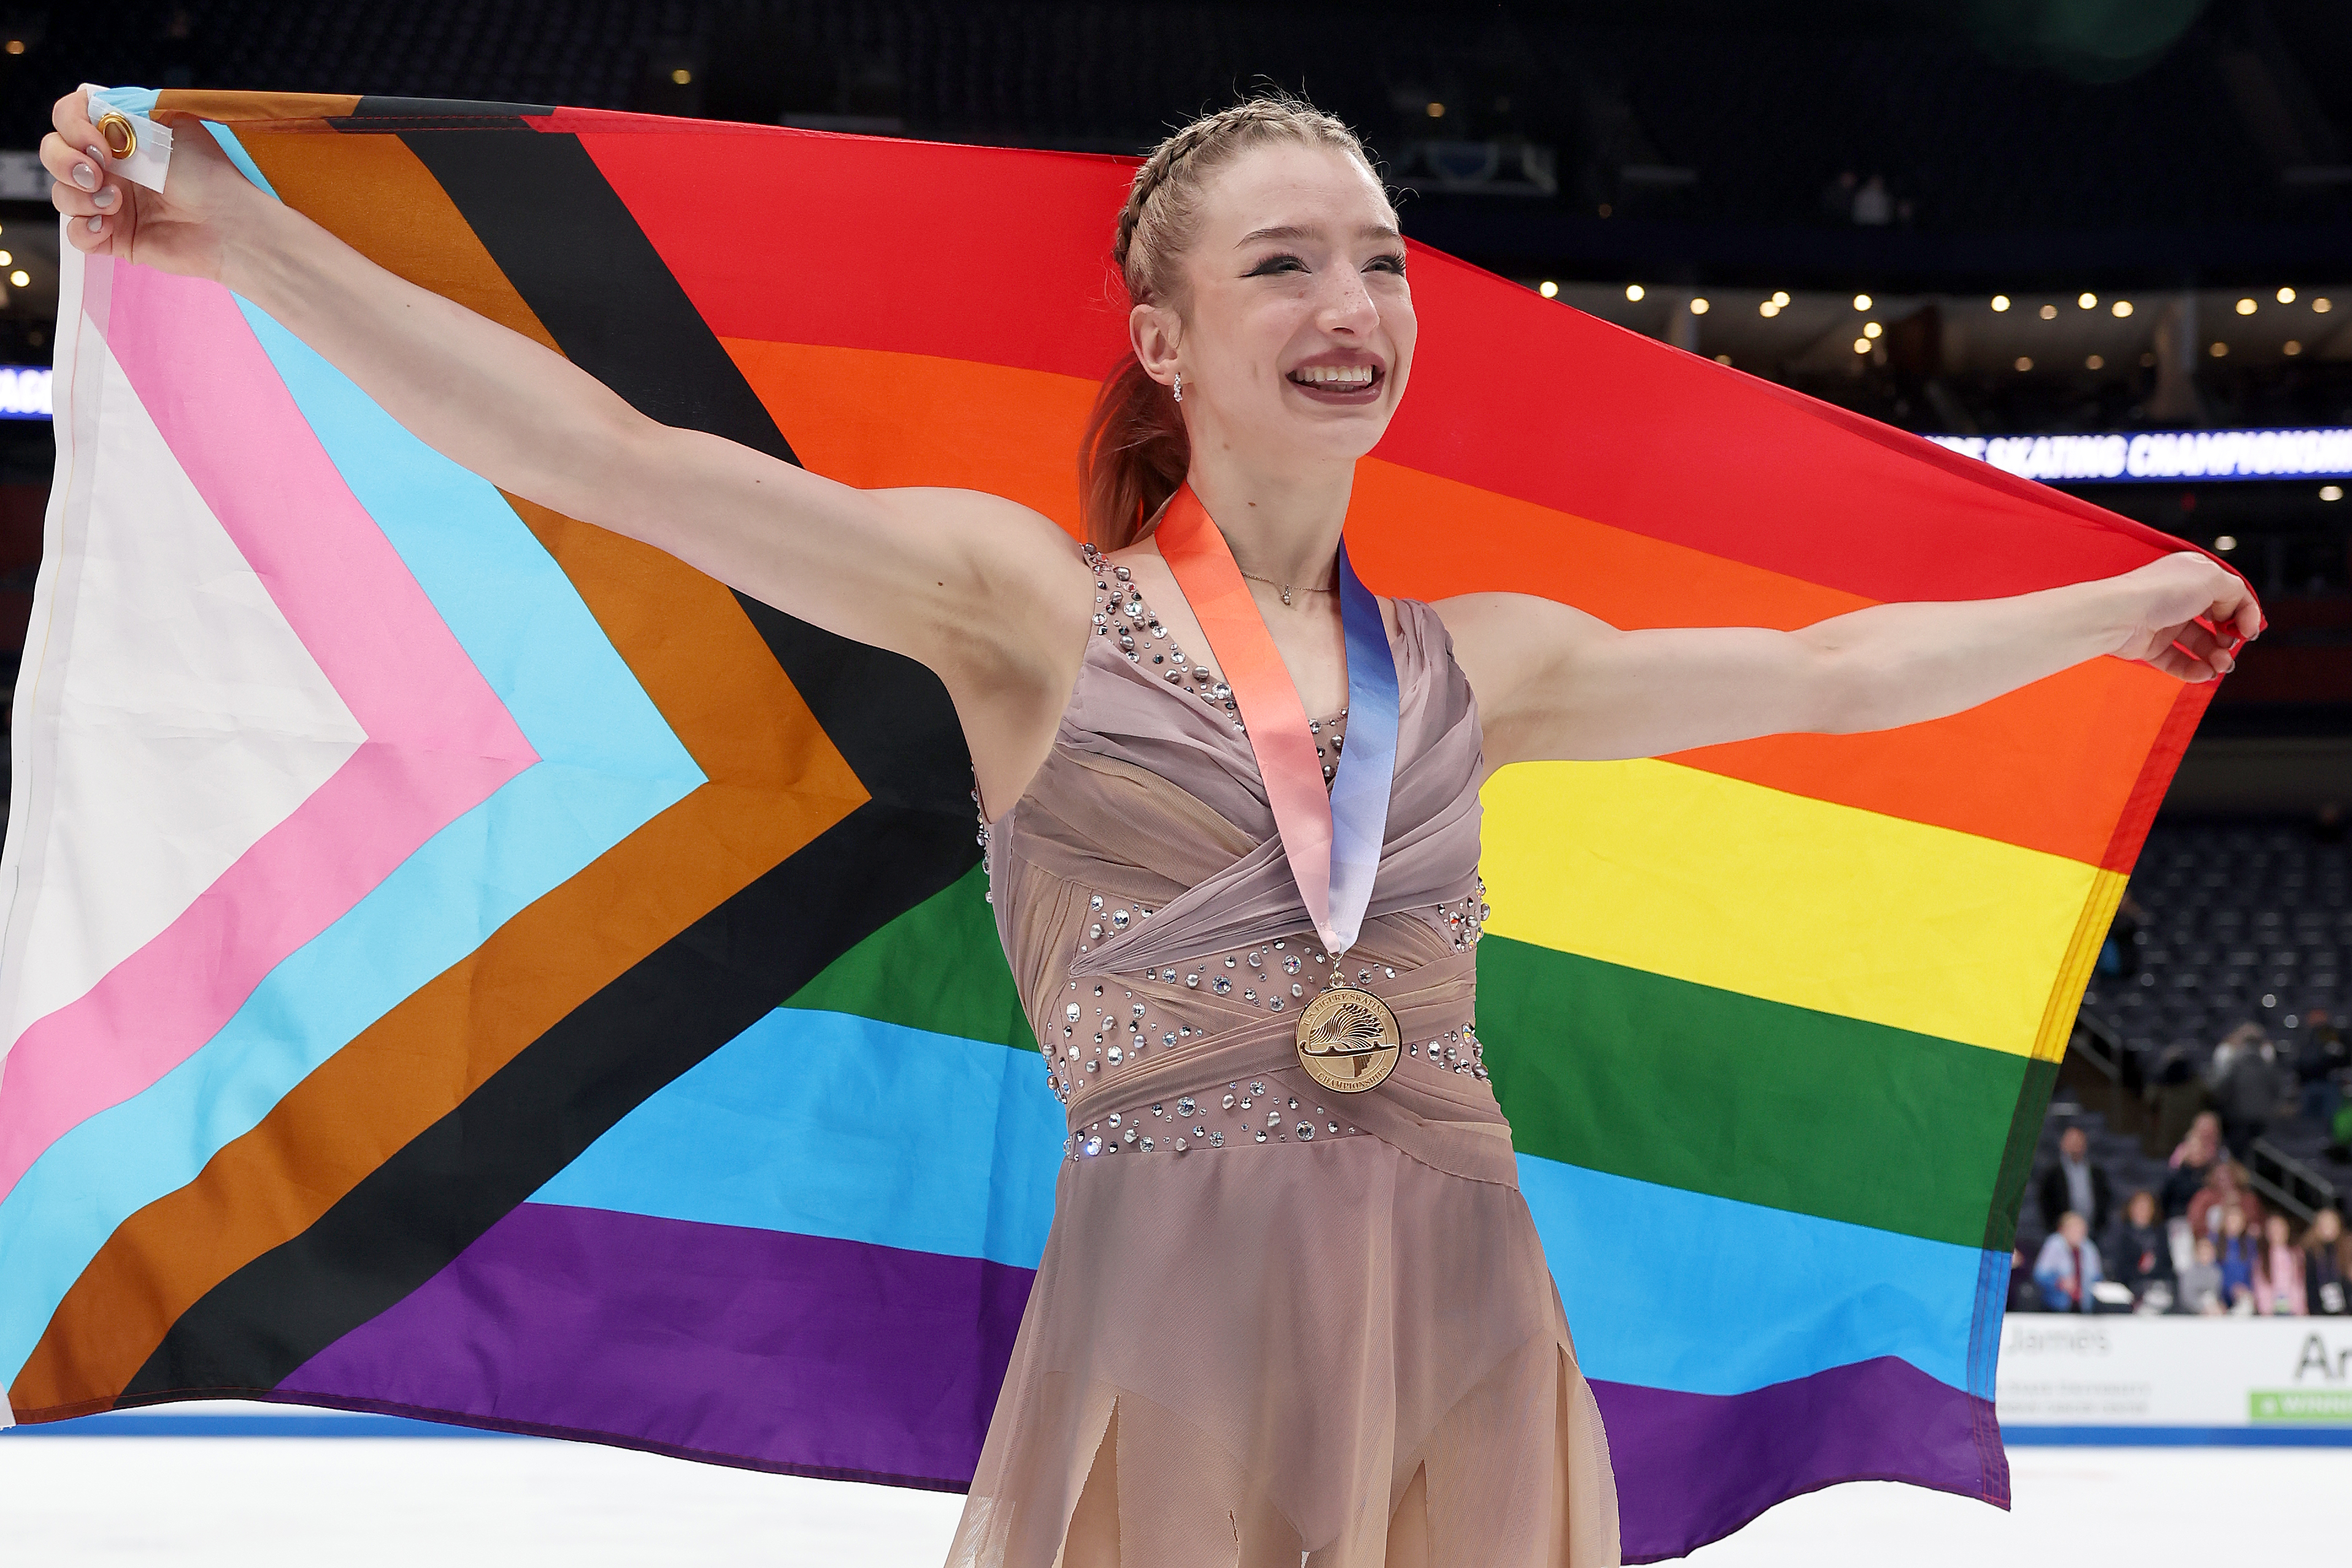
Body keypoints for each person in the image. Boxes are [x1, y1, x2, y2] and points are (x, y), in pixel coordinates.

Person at [43, 87, 2260, 1567]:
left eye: (1378, 261)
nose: (1351, 306)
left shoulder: (1482, 657)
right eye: (1284, 265)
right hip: (1173, 1298)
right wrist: (243, 246)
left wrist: (2111, 599)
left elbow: (1826, 677)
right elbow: (613, 458)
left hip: (1463, 1291)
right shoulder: (1022, 609)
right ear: (1162, 332)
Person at [2038, 1124, 2113, 1236]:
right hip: (2061, 1234)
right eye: (2071, 1140)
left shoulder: (2097, 1172)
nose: (2075, 1145)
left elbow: (2105, 1199)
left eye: (2078, 1140)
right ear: (2062, 1144)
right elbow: (2045, 1202)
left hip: (2093, 1233)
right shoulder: (2052, 1173)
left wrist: (2099, 1225)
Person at [2105, 1188, 2174, 1308]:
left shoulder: (2160, 1234)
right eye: (2139, 1207)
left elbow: (2168, 1265)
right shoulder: (2121, 1233)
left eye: (2147, 1207)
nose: (2143, 1211)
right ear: (2131, 1209)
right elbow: (2118, 1267)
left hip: (2157, 1287)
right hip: (2130, 1287)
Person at [2032, 1212, 2103, 1313]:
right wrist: (2060, 1282)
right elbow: (2040, 1275)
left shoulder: (2089, 1248)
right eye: (2073, 1230)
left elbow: (2097, 1276)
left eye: (2080, 1230)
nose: (2077, 1234)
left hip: (2085, 1306)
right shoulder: (2054, 1246)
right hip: (2056, 1306)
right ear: (2063, 1230)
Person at [2162, 1110, 2225, 1219]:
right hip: (2181, 1218)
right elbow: (2166, 1197)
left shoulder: (2218, 1161)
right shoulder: (2177, 1175)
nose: (2206, 1131)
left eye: (2209, 1127)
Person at [2188, 1159, 2266, 1243]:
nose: (2224, 1179)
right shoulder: (2204, 1197)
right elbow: (2195, 1223)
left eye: (2228, 1175)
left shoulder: (2248, 1198)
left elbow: (2258, 1222)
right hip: (2211, 1244)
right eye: (2220, 1176)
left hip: (2244, 1244)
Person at [2253, 1212, 2306, 1316]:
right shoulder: (2262, 1257)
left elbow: (2299, 1283)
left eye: (2280, 1228)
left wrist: (2300, 1310)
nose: (2277, 1232)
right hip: (2271, 1312)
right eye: (2273, 1229)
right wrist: (2266, 1311)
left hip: (2293, 1311)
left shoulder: (2297, 1254)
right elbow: (2261, 1285)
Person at [2303, 1208, 2349, 1315]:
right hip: (2318, 1313)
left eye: (2332, 1223)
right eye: (2325, 1224)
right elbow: (2309, 1286)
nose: (2329, 1228)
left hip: (2344, 1313)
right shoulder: (2310, 1253)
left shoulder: (2345, 1252)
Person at [2216, 1205, 2261, 1312]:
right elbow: (2212, 1272)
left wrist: (2247, 1289)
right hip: (2221, 1294)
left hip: (2245, 1295)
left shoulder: (2250, 1244)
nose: (2234, 1223)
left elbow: (2253, 1272)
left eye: (2238, 1219)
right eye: (2231, 1219)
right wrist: (2230, 1288)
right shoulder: (2215, 1242)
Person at [2177, 1236, 2227, 1315]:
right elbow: (2186, 1297)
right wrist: (2202, 1309)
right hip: (2192, 1313)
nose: (2205, 1256)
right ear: (2196, 1253)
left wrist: (2221, 1305)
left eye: (2208, 1253)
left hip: (2212, 1311)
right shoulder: (2189, 1272)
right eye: (2203, 1253)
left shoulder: (2217, 1272)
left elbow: (2218, 1294)